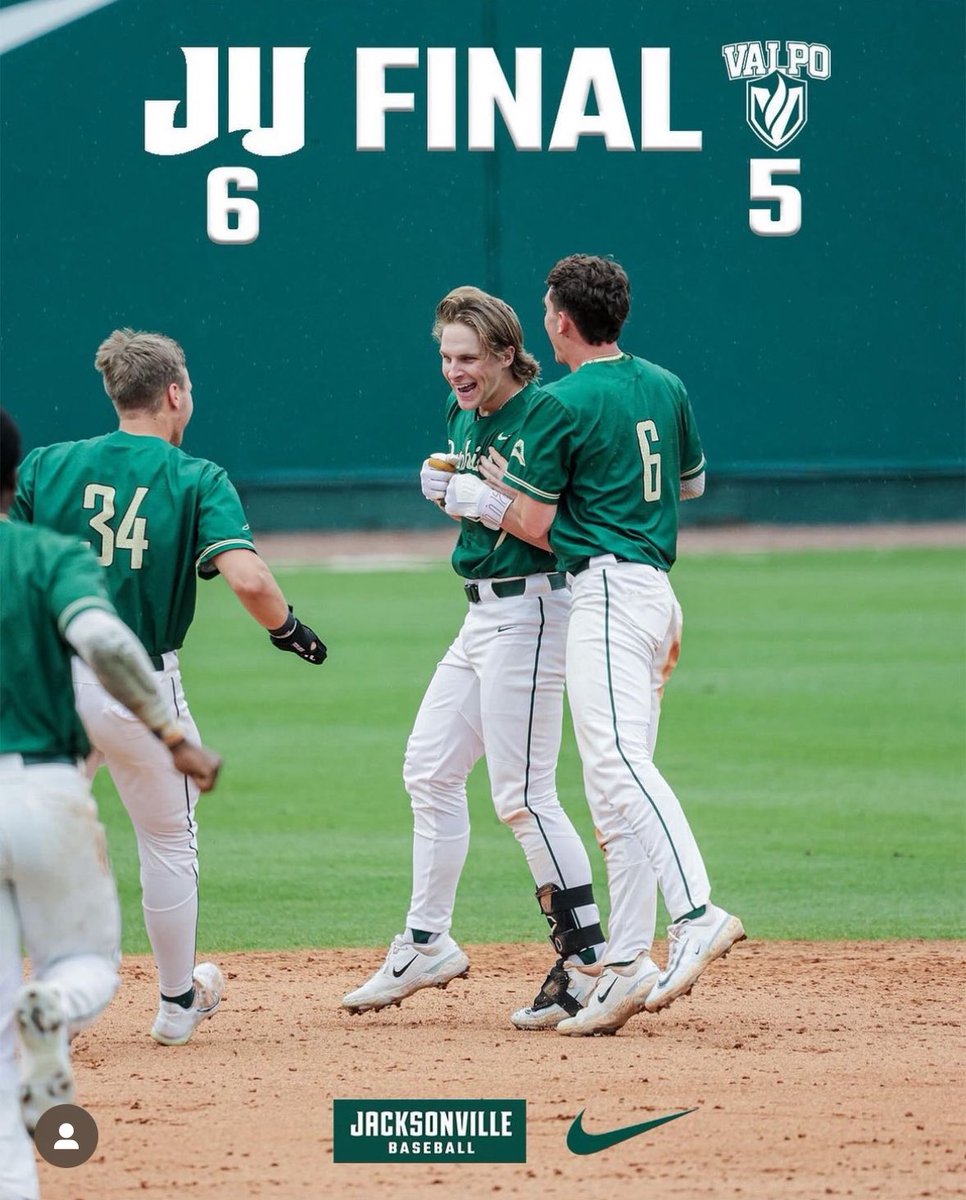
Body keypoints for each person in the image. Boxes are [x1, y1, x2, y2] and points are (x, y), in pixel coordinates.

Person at [9, 329, 327, 1047]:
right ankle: (177, 1003)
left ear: (115, 392)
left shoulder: (48, 465)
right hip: (138, 688)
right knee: (167, 841)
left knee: (26, 832)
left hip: (47, 686)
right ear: (175, 393)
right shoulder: (195, 477)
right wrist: (288, 630)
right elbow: (247, 578)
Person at [479, 254, 745, 1036]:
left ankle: (695, 911)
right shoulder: (664, 385)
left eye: (546, 309)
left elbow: (531, 518)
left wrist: (479, 491)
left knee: (617, 766)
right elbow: (688, 484)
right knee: (611, 791)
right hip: (656, 594)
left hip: (603, 593)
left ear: (562, 318)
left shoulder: (560, 401)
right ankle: (627, 962)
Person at [342, 286, 608, 1027]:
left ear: (503, 353)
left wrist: (478, 501)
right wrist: (445, 492)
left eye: (468, 357)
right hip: (482, 612)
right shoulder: (464, 413)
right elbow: (474, 496)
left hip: (536, 610)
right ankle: (426, 942)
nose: (455, 371)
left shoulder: (548, 412)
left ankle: (589, 961)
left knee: (524, 793)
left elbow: (564, 531)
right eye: (445, 357)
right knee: (428, 769)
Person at [0, 408, 221, 1200]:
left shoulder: (49, 490)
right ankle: (72, 1001)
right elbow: (104, 641)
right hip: (43, 786)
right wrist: (170, 730)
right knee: (85, 958)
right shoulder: (49, 557)